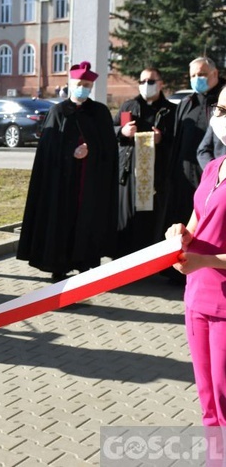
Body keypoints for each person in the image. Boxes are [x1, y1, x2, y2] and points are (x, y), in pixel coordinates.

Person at [17, 61, 118, 282]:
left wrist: (91, 150)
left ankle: (86, 264)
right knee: (61, 220)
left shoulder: (99, 112)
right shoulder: (58, 111)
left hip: (90, 180)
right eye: (79, 83)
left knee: (88, 220)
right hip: (62, 181)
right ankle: (59, 266)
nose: (83, 87)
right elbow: (48, 149)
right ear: (71, 84)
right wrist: (70, 152)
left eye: (87, 84)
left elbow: (109, 147)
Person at [165, 87, 226, 426]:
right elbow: (198, 220)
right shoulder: (214, 166)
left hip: (223, 304)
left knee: (223, 397)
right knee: (207, 402)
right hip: (196, 299)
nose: (221, 118)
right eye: (220, 108)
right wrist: (181, 235)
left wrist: (205, 261)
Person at [113, 67, 175, 256]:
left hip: (156, 175)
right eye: (142, 81)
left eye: (150, 81)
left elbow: (178, 140)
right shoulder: (129, 106)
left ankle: (149, 263)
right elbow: (113, 129)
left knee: (151, 221)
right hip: (129, 173)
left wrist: (162, 139)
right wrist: (122, 132)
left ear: (160, 83)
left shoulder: (171, 110)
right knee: (128, 218)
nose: (145, 85)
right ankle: (122, 259)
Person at [162, 57, 226, 239]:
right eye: (194, 75)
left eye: (202, 74)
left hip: (214, 180)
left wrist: (213, 172)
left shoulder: (221, 100)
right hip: (184, 180)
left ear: (215, 73)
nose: (197, 78)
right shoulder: (186, 102)